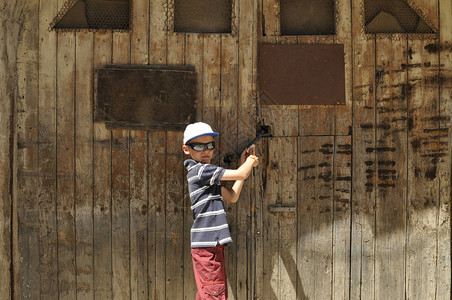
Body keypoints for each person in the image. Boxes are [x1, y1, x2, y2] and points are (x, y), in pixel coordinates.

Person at [182, 122, 258, 300]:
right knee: (214, 294)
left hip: (211, 247)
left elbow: (232, 196)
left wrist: (243, 165)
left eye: (210, 145)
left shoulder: (207, 178)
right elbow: (241, 174)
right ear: (187, 149)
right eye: (199, 146)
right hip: (207, 248)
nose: (206, 150)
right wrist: (250, 162)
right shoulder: (200, 171)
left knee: (209, 293)